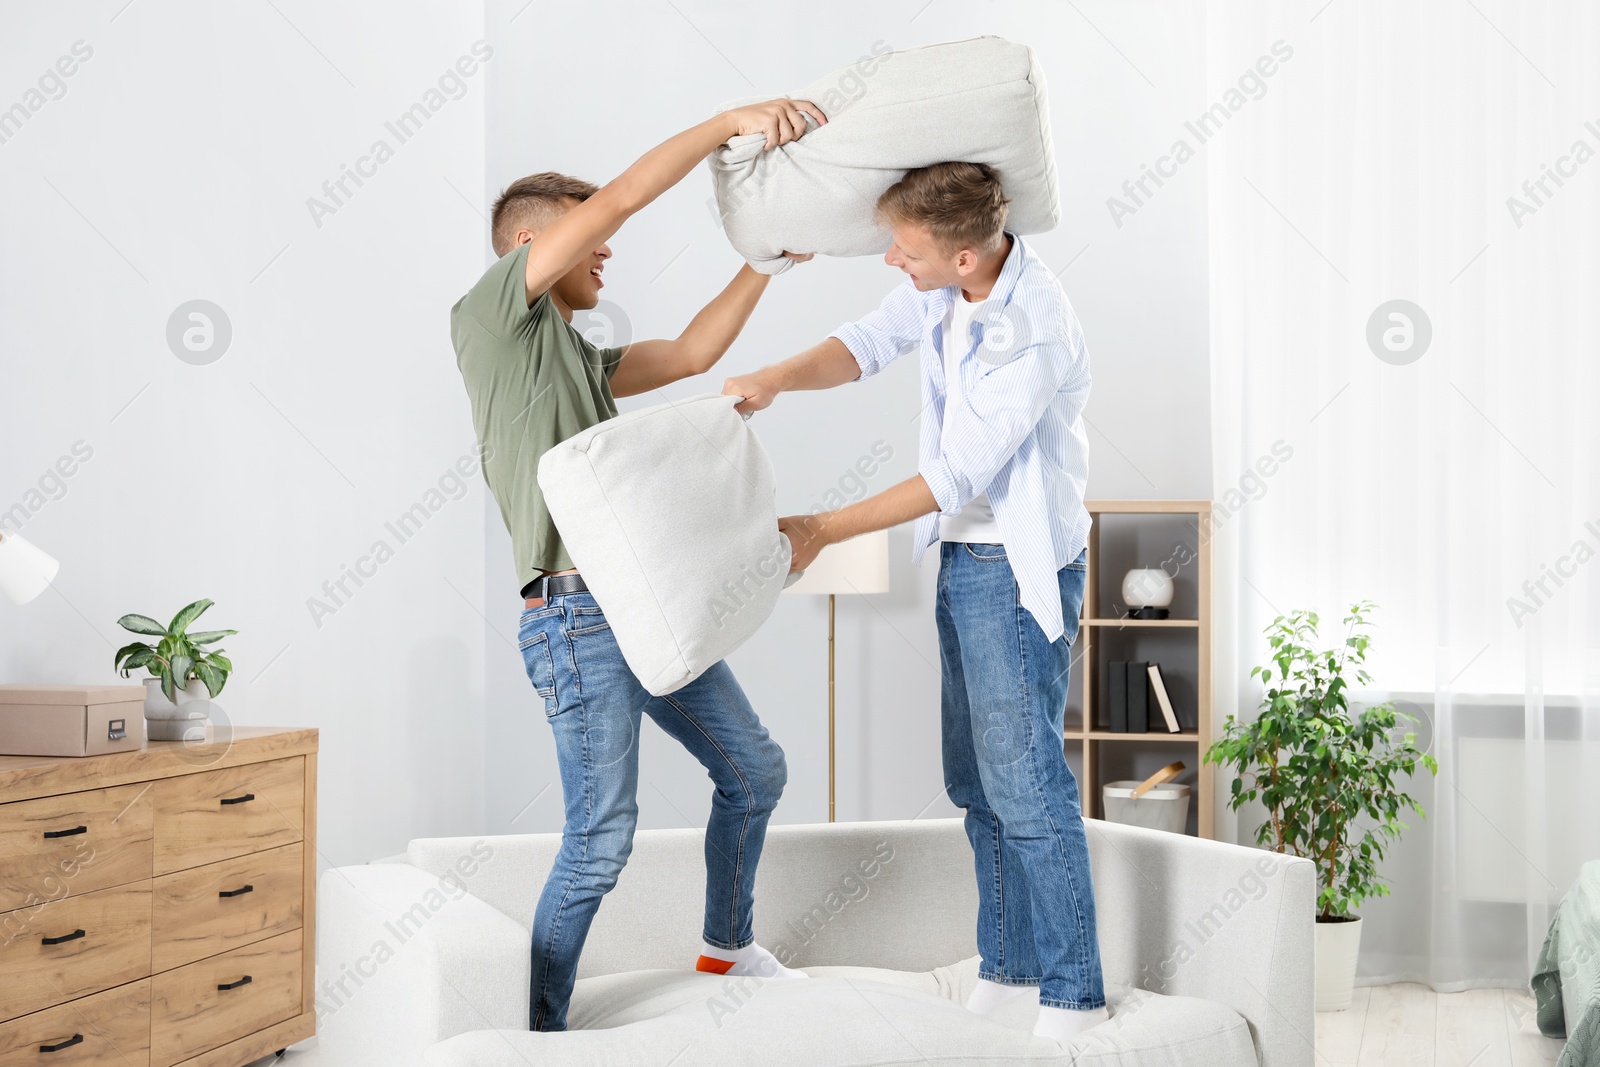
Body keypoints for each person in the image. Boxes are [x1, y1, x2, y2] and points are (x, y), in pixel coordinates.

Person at [451, 98, 825, 1033]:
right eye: (588, 241)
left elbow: (696, 352)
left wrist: (763, 264)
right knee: (600, 839)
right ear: (535, 242)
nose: (606, 253)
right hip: (576, 620)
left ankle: (727, 945)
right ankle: (536, 1033)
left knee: (755, 771)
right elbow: (619, 200)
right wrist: (727, 124)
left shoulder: (573, 357)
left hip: (641, 606)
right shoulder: (492, 320)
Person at [721, 161, 1108, 1042]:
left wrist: (823, 527)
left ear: (965, 255)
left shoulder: (1031, 328)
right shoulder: (949, 289)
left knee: (1028, 783)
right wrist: (775, 376)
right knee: (974, 780)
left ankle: (1074, 990)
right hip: (966, 561)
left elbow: (952, 474)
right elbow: (865, 342)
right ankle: (1009, 970)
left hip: (1015, 567)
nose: (893, 259)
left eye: (907, 249)